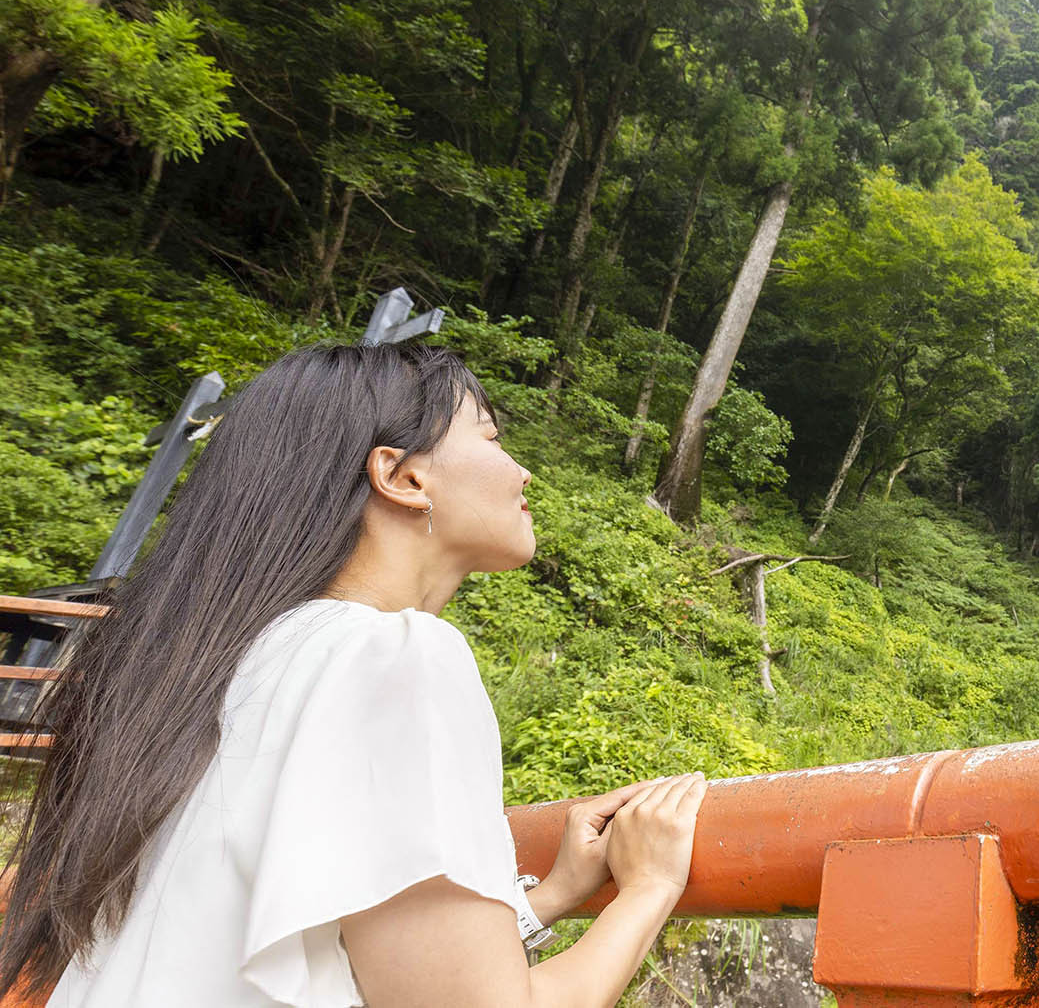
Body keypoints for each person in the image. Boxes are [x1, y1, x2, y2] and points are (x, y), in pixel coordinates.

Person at [0, 343, 707, 1006]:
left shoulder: (240, 665)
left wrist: (545, 897)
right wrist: (648, 886)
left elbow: (319, 949)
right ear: (402, 476)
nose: (524, 472)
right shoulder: (394, 656)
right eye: (491, 438)